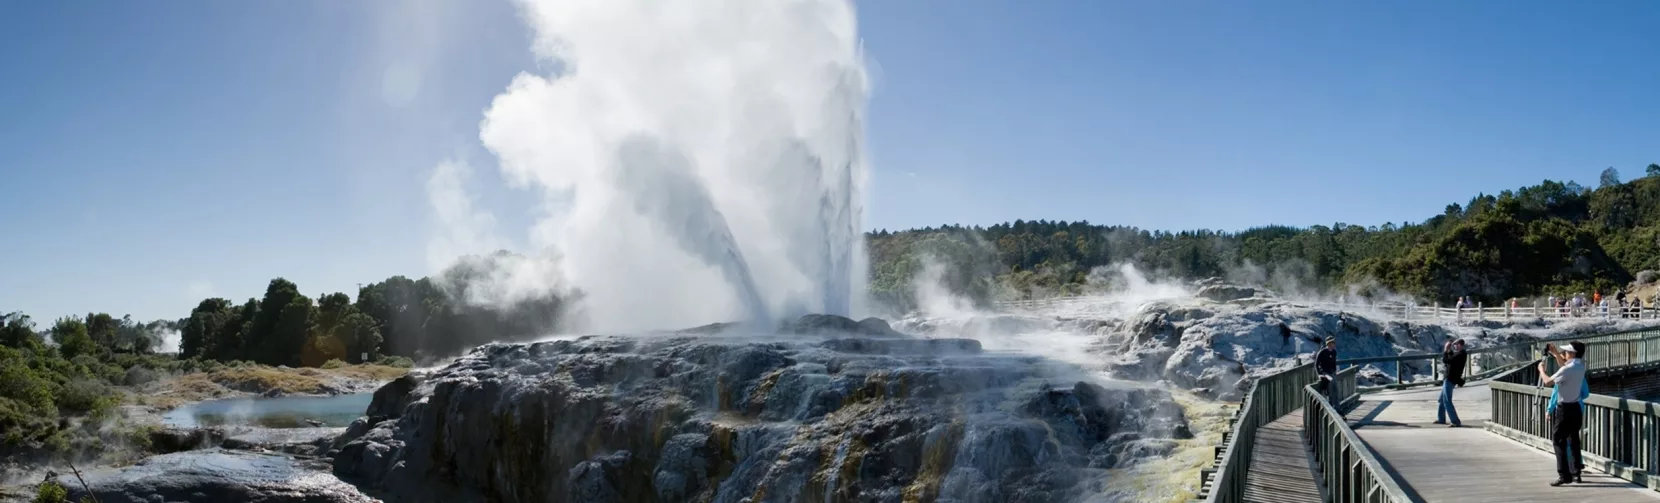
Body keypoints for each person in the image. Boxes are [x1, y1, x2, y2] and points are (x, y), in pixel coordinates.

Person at [1539, 341, 1589, 486]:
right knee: (1573, 439)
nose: (1565, 354)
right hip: (1576, 408)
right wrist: (1555, 354)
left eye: (1567, 352)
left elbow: (1548, 382)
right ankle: (1576, 472)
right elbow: (1566, 366)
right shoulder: (1580, 366)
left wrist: (1541, 370)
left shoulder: (1567, 369)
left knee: (1558, 440)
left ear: (1572, 354)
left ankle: (1563, 474)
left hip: (1564, 409)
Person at [1434, 339, 1468, 427]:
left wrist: (1446, 350)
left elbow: (1446, 360)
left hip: (1450, 379)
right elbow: (1451, 358)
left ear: (1460, 345)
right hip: (1449, 378)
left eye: (1456, 345)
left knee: (1447, 400)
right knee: (1442, 399)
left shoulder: (1460, 354)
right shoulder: (1460, 354)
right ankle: (1441, 418)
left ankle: (1455, 421)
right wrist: (1449, 351)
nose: (1455, 346)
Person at [1316, 336, 1338, 403]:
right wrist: (1319, 374)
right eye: (1333, 342)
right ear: (1329, 343)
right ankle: (1330, 404)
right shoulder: (1322, 352)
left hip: (1332, 372)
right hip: (1325, 372)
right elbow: (1316, 364)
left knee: (1336, 389)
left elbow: (1334, 362)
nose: (1334, 344)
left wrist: (1335, 371)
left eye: (1334, 342)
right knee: (1330, 383)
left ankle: (1337, 407)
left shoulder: (1334, 352)